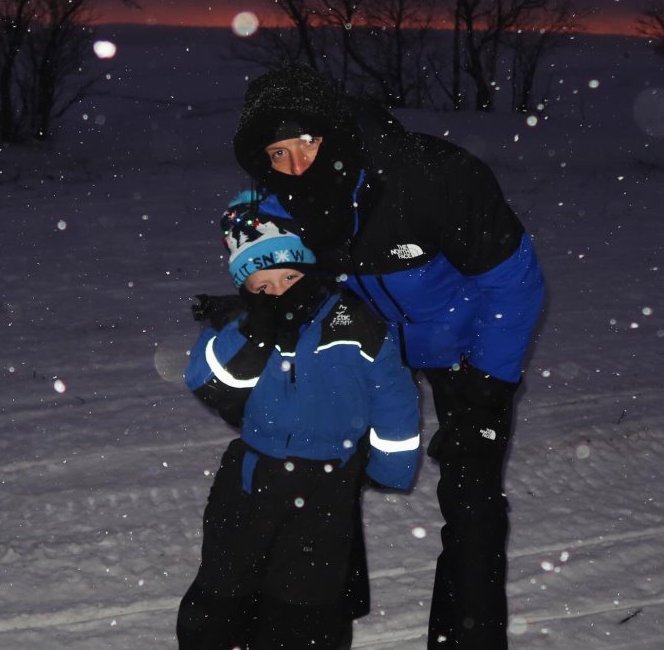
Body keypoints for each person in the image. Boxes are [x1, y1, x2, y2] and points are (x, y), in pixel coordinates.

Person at [232, 64, 546, 649]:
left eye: (307, 143)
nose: (297, 165)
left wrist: (488, 387)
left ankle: (468, 637)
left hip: (466, 344)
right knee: (321, 472)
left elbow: (515, 285)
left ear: (332, 131)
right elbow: (265, 265)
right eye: (279, 153)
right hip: (369, 346)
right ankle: (322, 620)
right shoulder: (277, 202)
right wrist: (264, 305)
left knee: (471, 496)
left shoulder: (432, 177)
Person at [176, 191, 421, 649]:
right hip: (251, 476)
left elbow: (394, 396)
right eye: (263, 286)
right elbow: (207, 378)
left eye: (290, 275)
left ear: (310, 268)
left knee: (306, 596)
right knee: (227, 581)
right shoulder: (240, 325)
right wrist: (255, 330)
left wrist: (392, 464)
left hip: (328, 480)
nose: (280, 292)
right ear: (245, 288)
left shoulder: (355, 322)